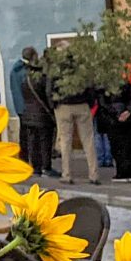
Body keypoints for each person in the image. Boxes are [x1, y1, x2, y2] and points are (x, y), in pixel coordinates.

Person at [51, 56, 99, 185]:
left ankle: (66, 174)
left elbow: (49, 88)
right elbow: (91, 87)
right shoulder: (82, 70)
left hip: (64, 106)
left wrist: (54, 104)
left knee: (65, 141)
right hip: (82, 105)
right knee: (88, 140)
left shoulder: (56, 70)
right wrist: (89, 102)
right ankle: (93, 174)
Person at [10, 47, 55, 176]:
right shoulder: (26, 71)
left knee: (29, 138)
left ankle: (28, 164)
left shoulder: (15, 70)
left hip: (23, 108)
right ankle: (37, 165)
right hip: (30, 108)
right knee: (37, 139)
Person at [98, 80, 131, 183]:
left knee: (117, 146)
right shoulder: (126, 84)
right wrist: (128, 111)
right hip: (128, 118)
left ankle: (121, 172)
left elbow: (103, 103)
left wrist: (115, 114)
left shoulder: (104, 86)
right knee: (129, 145)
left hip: (113, 119)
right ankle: (130, 172)